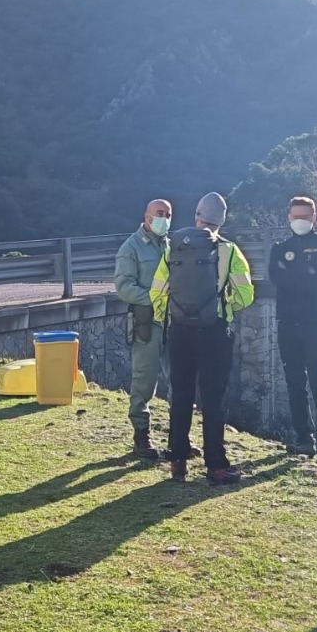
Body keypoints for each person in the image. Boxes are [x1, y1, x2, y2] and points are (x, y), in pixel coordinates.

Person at [164, 193, 254, 485]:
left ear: (197, 215)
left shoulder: (174, 245)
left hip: (178, 330)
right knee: (213, 398)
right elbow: (245, 294)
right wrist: (226, 308)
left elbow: (158, 289)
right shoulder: (228, 250)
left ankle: (177, 460)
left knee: (181, 394)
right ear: (222, 220)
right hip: (214, 331)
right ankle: (216, 465)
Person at [270, 195, 317, 459]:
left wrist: (296, 277)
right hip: (288, 323)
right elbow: (277, 277)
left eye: (305, 216)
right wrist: (307, 278)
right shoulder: (280, 247)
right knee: (294, 383)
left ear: (314, 218)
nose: (300, 221)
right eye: (296, 216)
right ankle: (303, 439)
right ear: (289, 217)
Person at [114, 199, 173, 462]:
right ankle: (141, 435)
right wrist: (156, 297)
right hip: (146, 322)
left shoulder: (171, 245)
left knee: (179, 379)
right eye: (160, 214)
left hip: (174, 321)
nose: (164, 218)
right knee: (145, 379)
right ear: (147, 217)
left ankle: (179, 436)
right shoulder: (131, 247)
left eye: (168, 214)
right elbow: (124, 287)